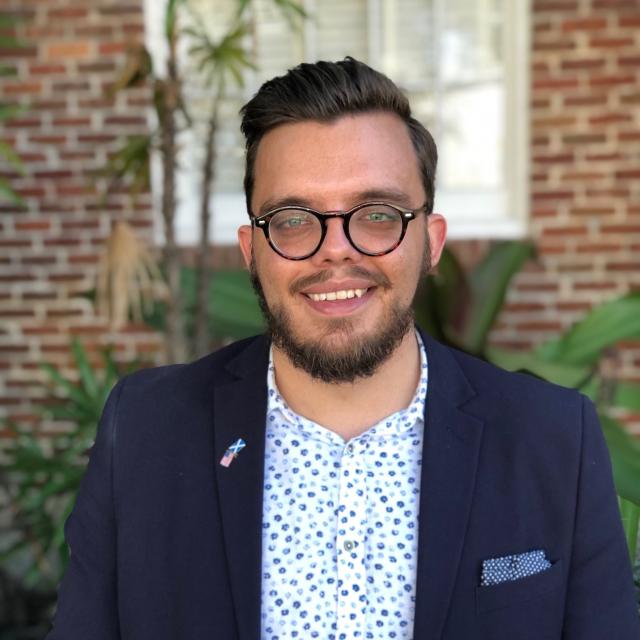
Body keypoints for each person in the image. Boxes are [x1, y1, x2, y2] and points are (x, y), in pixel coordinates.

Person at [47, 58, 639, 640]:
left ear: (430, 244)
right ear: (251, 250)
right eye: (293, 218)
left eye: (377, 214)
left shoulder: (554, 437)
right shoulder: (146, 430)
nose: (335, 251)